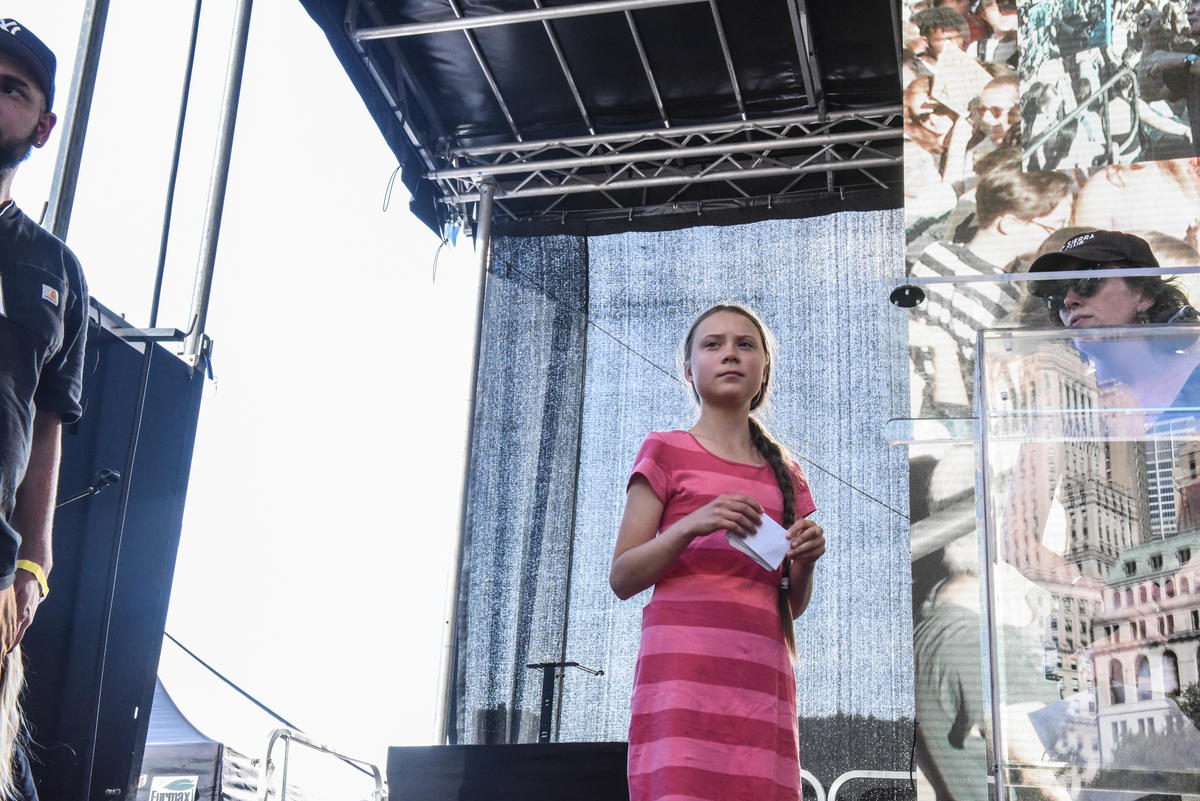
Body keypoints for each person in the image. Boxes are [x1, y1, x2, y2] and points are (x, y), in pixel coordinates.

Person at [609, 304, 826, 801]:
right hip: (682, 680)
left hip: (759, 683)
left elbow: (788, 605)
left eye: (745, 344)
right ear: (688, 370)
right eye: (713, 344)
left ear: (764, 369)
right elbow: (623, 577)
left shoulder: (787, 474)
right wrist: (691, 525)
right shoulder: (664, 449)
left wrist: (805, 562)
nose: (730, 354)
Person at [0, 19, 88, 801]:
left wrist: (33, 563)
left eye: (11, 89)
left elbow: (47, 425)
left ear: (43, 124)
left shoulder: (55, 269)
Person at [1028, 229, 1200, 416]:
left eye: (1087, 280)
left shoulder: (1195, 381)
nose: (1069, 300)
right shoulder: (1066, 407)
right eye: (1056, 293)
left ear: (1143, 294)